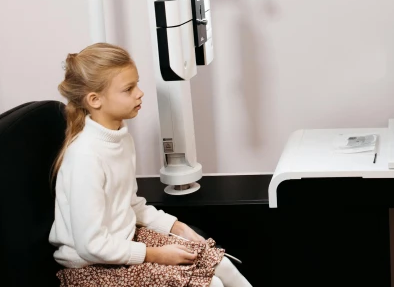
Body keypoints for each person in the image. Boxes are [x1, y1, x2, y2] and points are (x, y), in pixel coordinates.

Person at [49, 42, 252, 287]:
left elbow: (130, 205)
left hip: (124, 242)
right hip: (92, 268)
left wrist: (177, 228)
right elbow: (91, 246)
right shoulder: (85, 157)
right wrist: (155, 254)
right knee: (211, 285)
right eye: (128, 89)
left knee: (221, 264)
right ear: (95, 100)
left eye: (137, 84)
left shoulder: (120, 139)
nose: (140, 93)